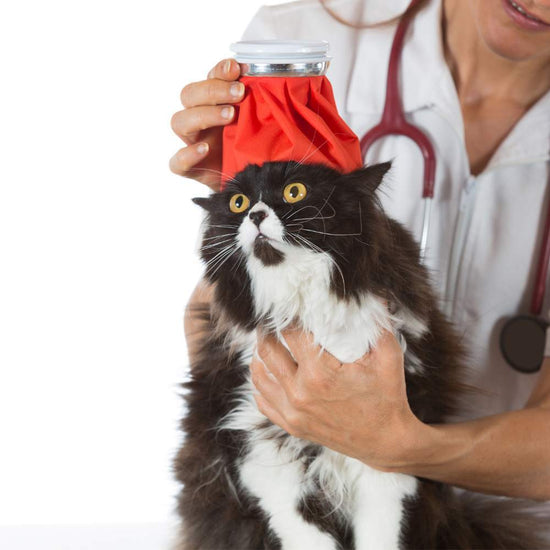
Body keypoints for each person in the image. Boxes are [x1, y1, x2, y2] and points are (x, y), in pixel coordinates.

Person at [170, 0, 550, 501]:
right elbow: (214, 338)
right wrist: (233, 202)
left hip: (495, 523)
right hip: (290, 501)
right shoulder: (297, 49)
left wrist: (400, 447)